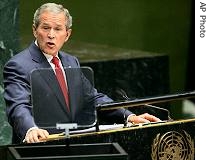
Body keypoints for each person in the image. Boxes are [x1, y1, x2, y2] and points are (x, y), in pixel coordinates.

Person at [3, 3, 161, 144]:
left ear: (67, 34)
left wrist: (128, 116)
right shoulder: (19, 65)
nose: (51, 35)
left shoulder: (71, 62)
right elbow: (18, 106)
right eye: (45, 28)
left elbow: (92, 98)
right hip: (39, 147)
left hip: (74, 143)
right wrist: (31, 129)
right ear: (35, 30)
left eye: (58, 29)